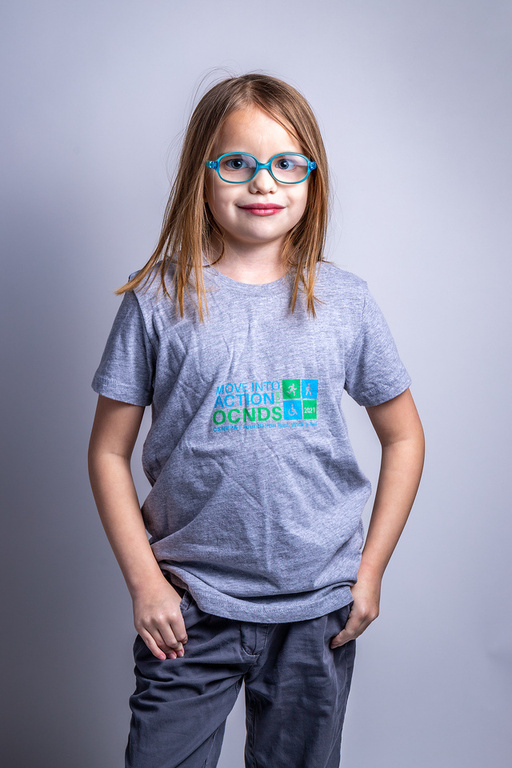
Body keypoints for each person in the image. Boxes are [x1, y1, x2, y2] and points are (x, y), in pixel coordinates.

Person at [88, 73, 425, 768]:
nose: (262, 183)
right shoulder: (156, 301)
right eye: (237, 163)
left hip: (315, 609)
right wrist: (146, 584)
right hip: (190, 607)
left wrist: (371, 572)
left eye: (286, 164)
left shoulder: (345, 302)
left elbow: (404, 435)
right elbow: (106, 453)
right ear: (201, 176)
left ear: (311, 178)